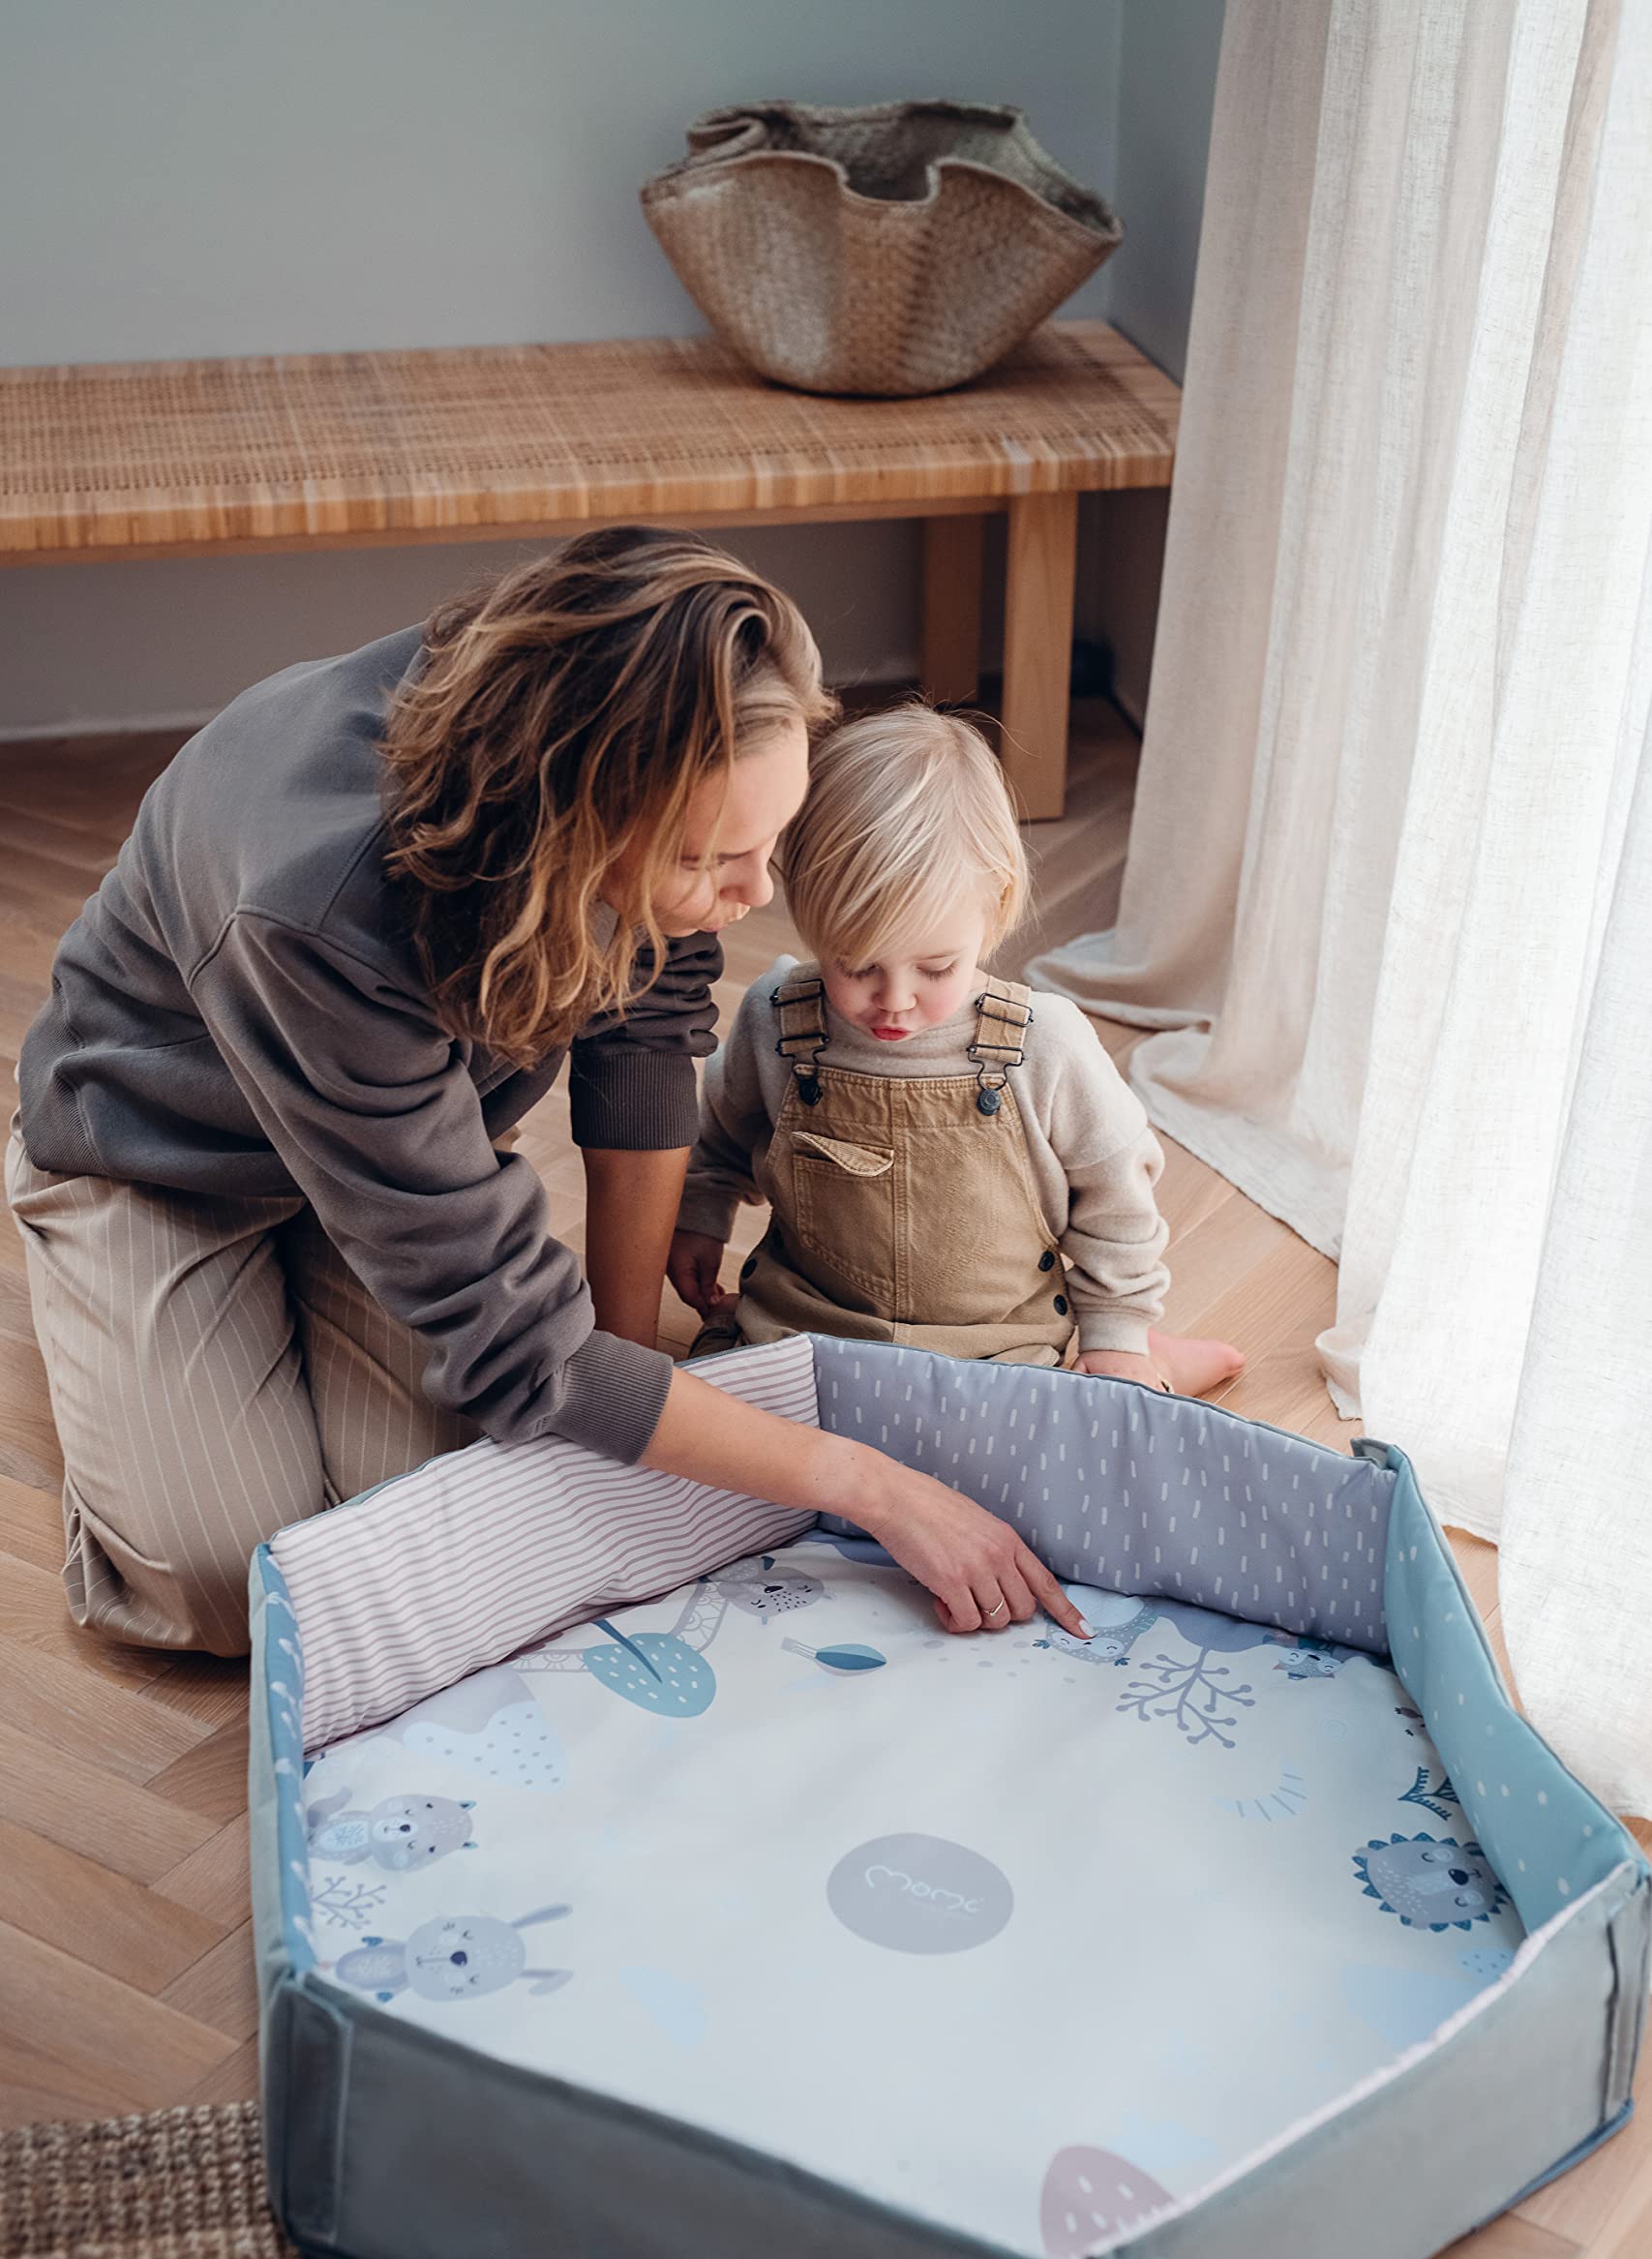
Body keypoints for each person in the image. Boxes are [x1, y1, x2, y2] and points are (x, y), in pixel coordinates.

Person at [7, 532, 1086, 1658]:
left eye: (769, 844)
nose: (758, 894)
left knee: (441, 1511)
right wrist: (877, 1487)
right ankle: (97, 1287)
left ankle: (295, 1300)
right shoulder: (315, 903)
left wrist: (618, 1374)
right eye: (711, 861)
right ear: (574, 818)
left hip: (400, 1150)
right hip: (167, 1152)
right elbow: (531, 1353)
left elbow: (650, 1034)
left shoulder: (624, 741)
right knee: (240, 1580)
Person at [668, 703, 1244, 1395]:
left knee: (1060, 1458)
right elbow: (719, 1137)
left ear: (994, 907)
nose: (894, 998)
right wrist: (699, 1217)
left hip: (1002, 1348)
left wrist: (1116, 1332)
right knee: (714, 1436)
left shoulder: (1045, 1044)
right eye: (854, 964)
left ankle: (1152, 1357)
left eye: (934, 968)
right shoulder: (776, 1018)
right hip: (808, 1323)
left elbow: (1115, 1201)